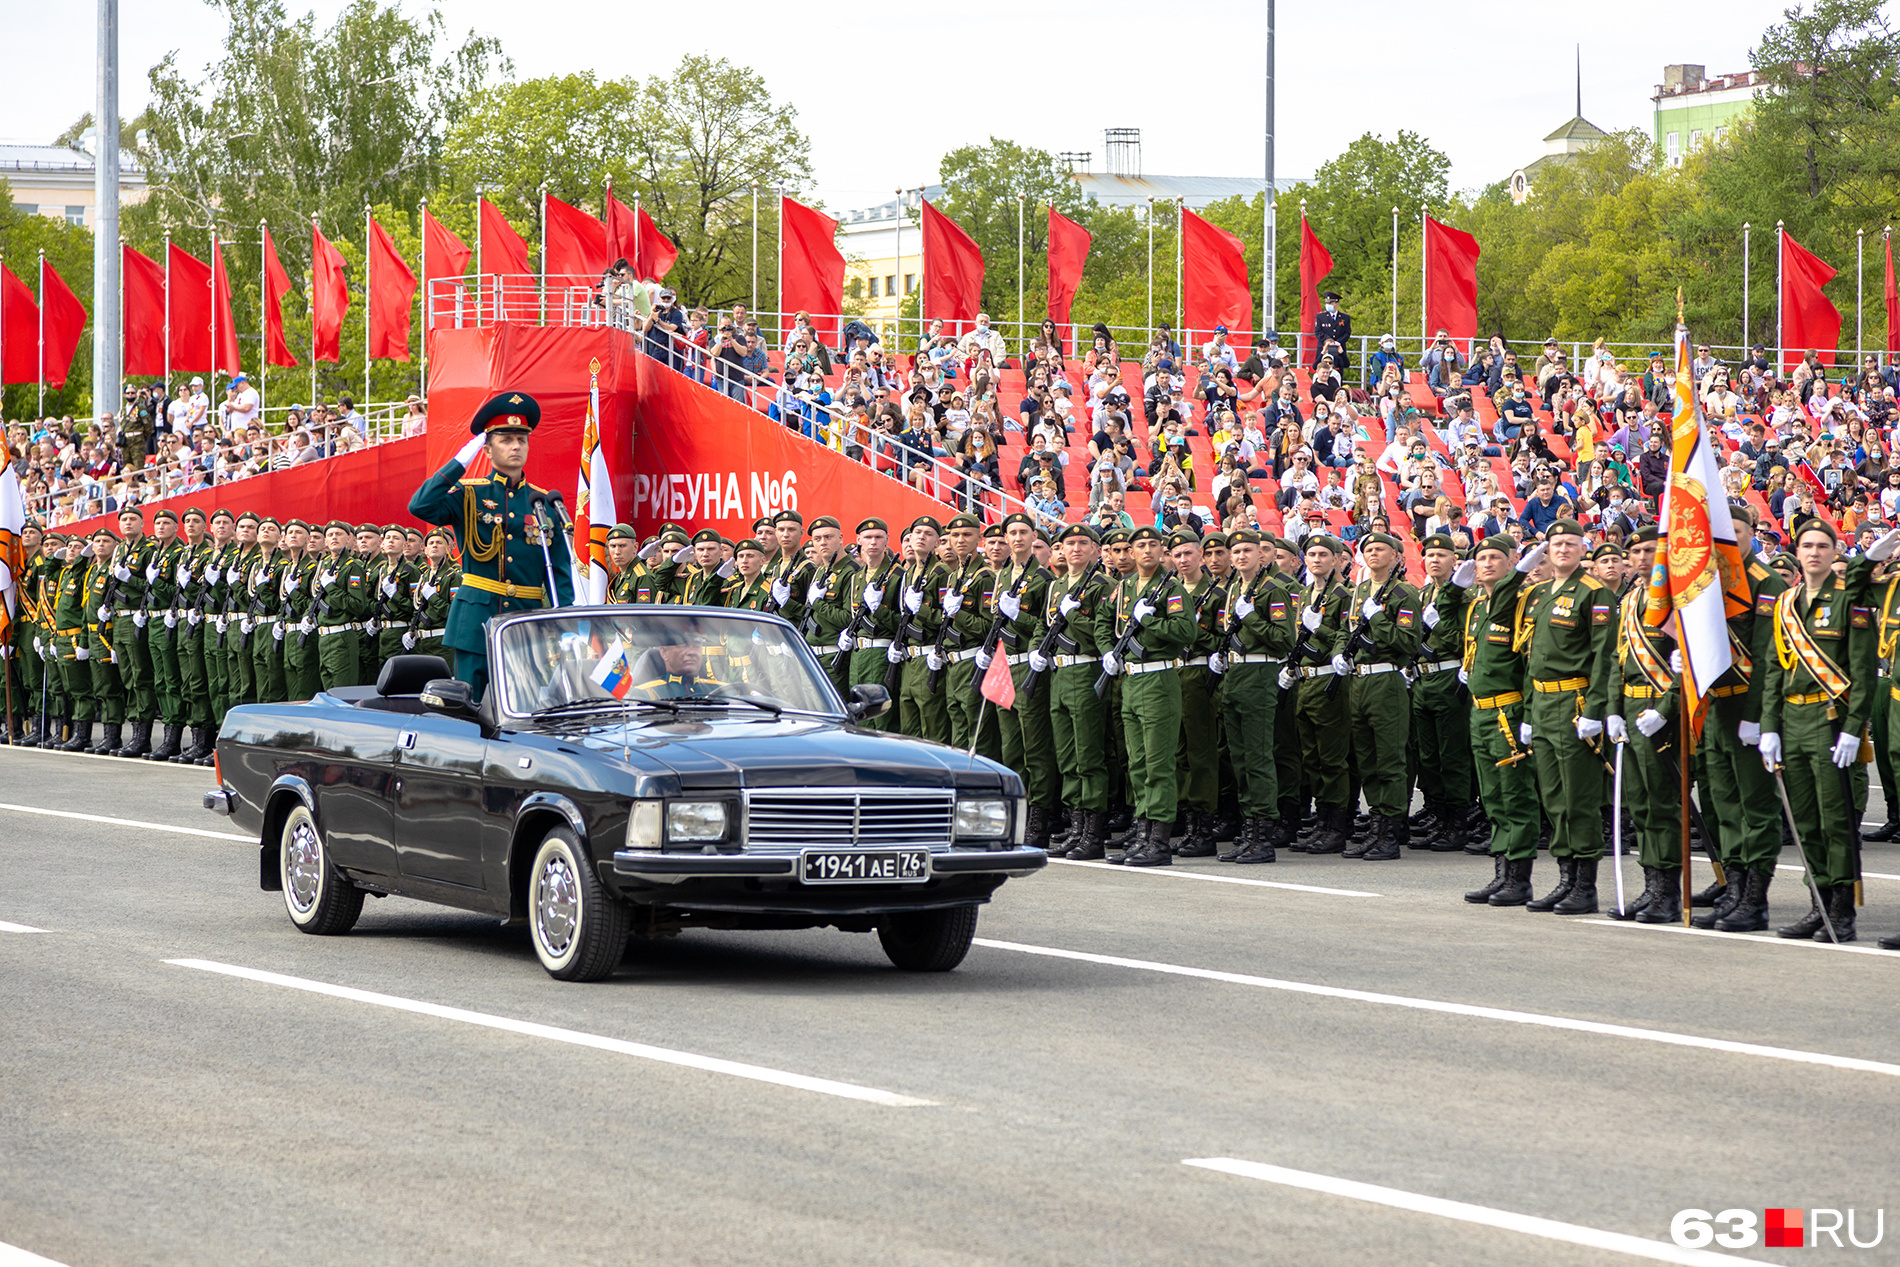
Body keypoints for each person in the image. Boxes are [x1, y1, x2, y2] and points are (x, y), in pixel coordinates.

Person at [408, 391, 577, 700]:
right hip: (476, 622)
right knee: (470, 706)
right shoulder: (469, 494)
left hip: (526, 623)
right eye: (506, 439)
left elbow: (560, 573)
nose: (516, 446)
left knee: (525, 703)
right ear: (486, 449)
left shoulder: (543, 502)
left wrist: (565, 626)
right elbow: (420, 506)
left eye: (522, 440)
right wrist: (460, 462)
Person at [1760, 519, 1879, 944]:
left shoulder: (1850, 600)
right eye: (1807, 545)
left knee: (1835, 821)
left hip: (1830, 723)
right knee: (1805, 822)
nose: (1814, 552)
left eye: (1822, 545)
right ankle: (1818, 904)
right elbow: (1775, 669)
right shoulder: (1787, 602)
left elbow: (1862, 672)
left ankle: (1841, 911)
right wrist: (1768, 726)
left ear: (1833, 552)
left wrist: (1853, 728)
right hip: (1790, 722)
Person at [1519, 520, 1618, 914]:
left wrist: (1595, 710)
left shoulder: (1594, 594)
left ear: (1582, 549)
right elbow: (1532, 657)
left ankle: (1585, 884)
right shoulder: (1540, 593)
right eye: (1556, 543)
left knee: (1579, 796)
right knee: (1554, 797)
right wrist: (1528, 711)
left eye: (1570, 543)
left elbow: (1604, 657)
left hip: (1575, 703)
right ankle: (1565, 876)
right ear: (1547, 550)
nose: (1562, 549)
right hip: (1542, 704)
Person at [1099, 525, 1195, 865]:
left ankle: (1159, 840)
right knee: (1137, 765)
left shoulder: (1171, 589)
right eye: (1140, 545)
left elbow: (1186, 632)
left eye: (1154, 544)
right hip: (1129, 682)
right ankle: (1141, 834)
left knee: (1158, 764)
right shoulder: (1123, 588)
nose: (1147, 550)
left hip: (1158, 680)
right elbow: (1103, 623)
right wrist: (1108, 652)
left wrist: (1151, 623)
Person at [1040, 523, 1116, 860]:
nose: (1075, 549)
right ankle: (1075, 825)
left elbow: (1103, 636)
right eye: (1068, 543)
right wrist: (1035, 651)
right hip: (1059, 674)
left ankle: (1093, 831)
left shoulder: (1103, 586)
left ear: (1096, 551)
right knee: (1067, 757)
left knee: (1088, 755)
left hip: (1086, 670)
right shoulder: (1056, 586)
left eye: (1083, 543)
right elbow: (1045, 628)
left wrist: (1075, 617)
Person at [1312, 293, 1351, 374]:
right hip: (1324, 347)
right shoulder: (1320, 316)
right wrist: (1328, 341)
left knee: (1338, 370)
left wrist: (1337, 342)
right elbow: (1318, 331)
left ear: (1336, 304)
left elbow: (1347, 333)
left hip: (1338, 348)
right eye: (1327, 303)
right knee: (1321, 369)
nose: (1328, 305)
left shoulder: (1345, 317)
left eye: (1330, 303)